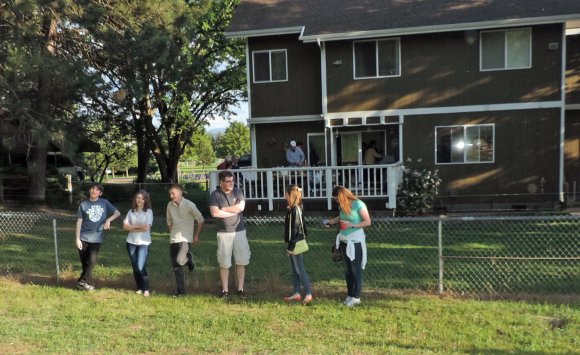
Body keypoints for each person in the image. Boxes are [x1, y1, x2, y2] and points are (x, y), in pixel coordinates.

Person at [324, 186, 371, 307]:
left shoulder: (358, 204)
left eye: (337, 198)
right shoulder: (343, 206)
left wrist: (352, 225)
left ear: (342, 196)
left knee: (356, 270)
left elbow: (367, 221)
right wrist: (330, 222)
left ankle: (356, 297)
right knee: (348, 270)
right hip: (344, 241)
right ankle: (350, 295)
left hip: (355, 242)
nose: (336, 201)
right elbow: (341, 217)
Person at [209, 170, 251, 299]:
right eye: (228, 181)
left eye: (232, 180)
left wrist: (224, 210)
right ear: (221, 182)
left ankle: (240, 289)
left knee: (241, 261)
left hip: (239, 231)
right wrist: (233, 211)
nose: (231, 183)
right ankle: (225, 290)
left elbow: (241, 207)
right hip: (224, 233)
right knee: (224, 262)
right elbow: (215, 213)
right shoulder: (215, 195)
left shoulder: (237, 192)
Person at [75, 183, 121, 291]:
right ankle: (88, 284)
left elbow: (117, 213)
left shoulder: (104, 203)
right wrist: (77, 239)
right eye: (92, 189)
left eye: (97, 190)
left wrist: (108, 220)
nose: (94, 191)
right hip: (83, 238)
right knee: (85, 263)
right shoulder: (83, 205)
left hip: (96, 238)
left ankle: (81, 281)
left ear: (100, 193)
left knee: (91, 261)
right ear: (89, 191)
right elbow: (79, 222)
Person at [166, 184, 205, 297]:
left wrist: (196, 235)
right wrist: (173, 233)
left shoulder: (190, 205)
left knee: (179, 260)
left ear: (180, 192)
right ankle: (181, 292)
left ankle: (189, 260)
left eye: (173, 193)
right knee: (176, 268)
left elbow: (200, 220)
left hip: (185, 239)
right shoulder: (169, 205)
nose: (171, 196)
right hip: (173, 239)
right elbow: (169, 222)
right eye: (170, 193)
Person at [283, 185, 313, 305]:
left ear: (290, 194)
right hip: (292, 243)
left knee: (300, 269)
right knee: (294, 270)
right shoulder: (292, 209)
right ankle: (296, 292)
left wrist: (290, 247)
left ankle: (308, 293)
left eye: (285, 193)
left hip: (295, 244)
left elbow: (297, 230)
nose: (284, 195)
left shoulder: (296, 209)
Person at [123, 189, 153, 297]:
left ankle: (146, 288)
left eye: (142, 198)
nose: (140, 200)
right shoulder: (130, 212)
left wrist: (132, 227)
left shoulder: (148, 212)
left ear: (146, 200)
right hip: (131, 242)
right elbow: (124, 226)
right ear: (135, 199)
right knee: (135, 267)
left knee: (141, 266)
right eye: (138, 198)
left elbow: (146, 228)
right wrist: (137, 227)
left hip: (143, 243)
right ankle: (140, 287)